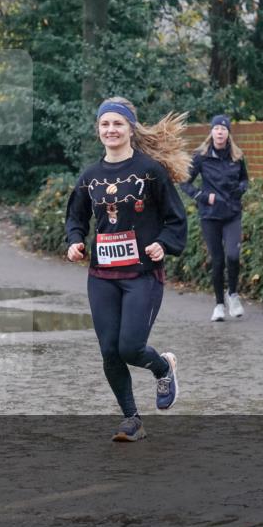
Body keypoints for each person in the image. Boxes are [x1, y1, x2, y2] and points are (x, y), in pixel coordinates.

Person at [64, 97, 189, 442]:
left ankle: (163, 367)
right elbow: (76, 217)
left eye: (118, 123)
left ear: (131, 128)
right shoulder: (90, 176)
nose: (111, 130)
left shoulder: (150, 170)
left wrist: (163, 243)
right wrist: (74, 240)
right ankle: (131, 418)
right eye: (105, 124)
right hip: (102, 275)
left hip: (142, 274)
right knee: (109, 351)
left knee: (130, 347)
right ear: (98, 130)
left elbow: (176, 219)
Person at [179, 114, 249, 321]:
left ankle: (233, 294)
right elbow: (184, 182)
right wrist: (202, 196)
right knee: (218, 261)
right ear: (211, 132)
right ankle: (219, 304)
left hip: (232, 213)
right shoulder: (201, 156)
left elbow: (245, 178)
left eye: (223, 129)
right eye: (216, 128)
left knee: (233, 256)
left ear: (228, 133)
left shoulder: (237, 156)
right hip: (210, 216)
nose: (220, 132)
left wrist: (241, 188)